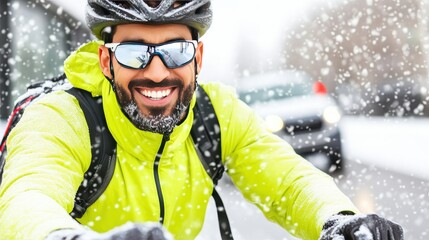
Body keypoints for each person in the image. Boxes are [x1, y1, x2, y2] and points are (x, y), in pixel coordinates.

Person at [0, 1, 404, 240]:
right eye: (134, 52)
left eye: (175, 51)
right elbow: (26, 199)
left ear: (198, 59)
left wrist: (338, 219)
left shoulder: (215, 114)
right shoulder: (61, 118)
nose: (157, 72)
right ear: (106, 61)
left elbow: (288, 181)